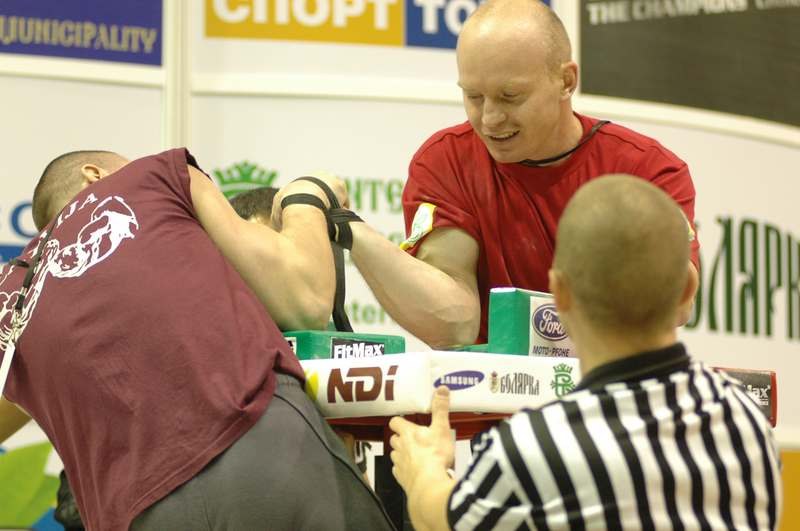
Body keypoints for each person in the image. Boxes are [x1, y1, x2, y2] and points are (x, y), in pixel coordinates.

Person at [0, 149, 395, 530]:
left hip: (134, 512)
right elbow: (304, 300)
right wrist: (306, 197)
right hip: (258, 445)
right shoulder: (151, 176)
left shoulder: (13, 295)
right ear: (95, 175)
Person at [388, 175, 782, 530]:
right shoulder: (746, 422)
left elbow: (444, 519)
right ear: (687, 291)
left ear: (559, 294)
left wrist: (425, 469)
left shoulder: (532, 447)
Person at [344, 0, 700, 348]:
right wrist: (350, 230)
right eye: (474, 96)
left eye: (510, 96)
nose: (490, 119)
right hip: (486, 401)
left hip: (611, 394)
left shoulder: (647, 170)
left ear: (566, 80)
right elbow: (454, 325)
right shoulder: (445, 161)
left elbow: (677, 303)